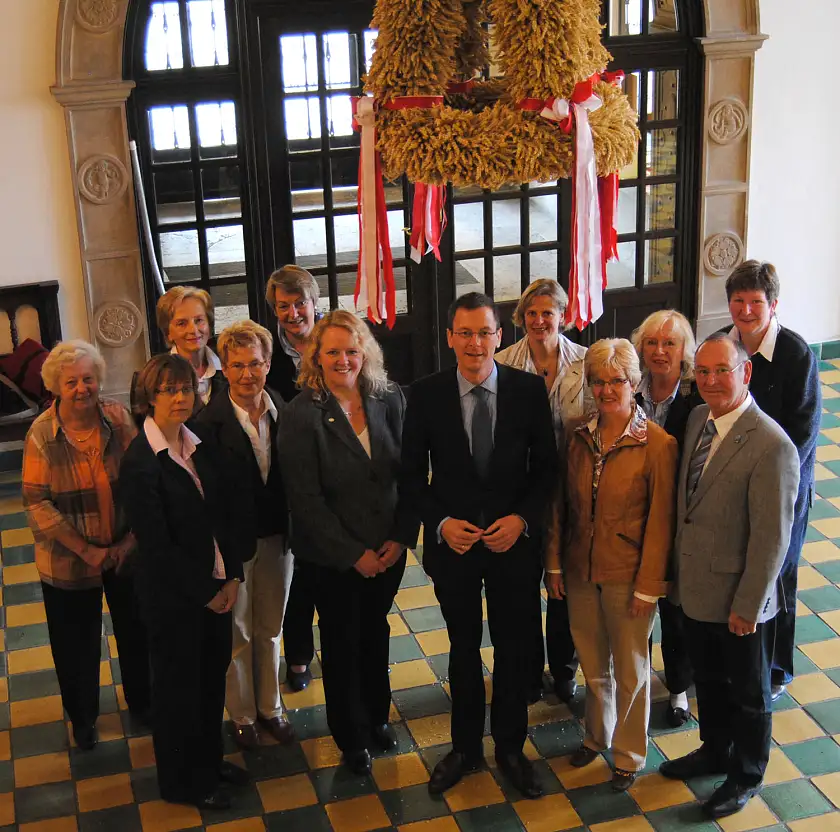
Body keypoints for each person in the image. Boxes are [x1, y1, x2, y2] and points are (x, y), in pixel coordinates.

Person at [400, 292, 557, 799]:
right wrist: (440, 522)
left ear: (499, 336)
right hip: (457, 550)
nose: (474, 343)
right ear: (450, 338)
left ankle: (511, 748)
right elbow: (409, 480)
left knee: (514, 650)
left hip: (514, 548)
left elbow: (547, 472)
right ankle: (464, 748)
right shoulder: (423, 395)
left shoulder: (530, 391)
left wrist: (523, 520)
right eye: (464, 333)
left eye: (484, 332)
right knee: (463, 650)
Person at [660, 333, 799, 819]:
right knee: (711, 682)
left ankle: (745, 775)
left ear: (746, 373)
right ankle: (713, 750)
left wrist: (750, 605)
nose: (712, 381)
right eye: (702, 372)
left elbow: (771, 540)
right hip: (696, 588)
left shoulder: (772, 445)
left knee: (748, 692)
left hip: (740, 599)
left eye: (723, 370)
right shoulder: (699, 417)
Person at [278, 310, 411, 775]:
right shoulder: (301, 415)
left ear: (366, 353)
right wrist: (354, 554)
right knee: (340, 641)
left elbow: (409, 473)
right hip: (332, 559)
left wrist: (399, 538)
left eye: (352, 351)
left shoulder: (388, 398)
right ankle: (352, 737)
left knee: (375, 632)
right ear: (316, 356)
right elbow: (306, 499)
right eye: (332, 351)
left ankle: (377, 717)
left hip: (387, 550)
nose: (343, 360)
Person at [121, 354, 252, 811]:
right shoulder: (141, 463)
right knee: (178, 693)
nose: (180, 398)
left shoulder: (200, 444)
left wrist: (232, 575)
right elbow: (157, 546)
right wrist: (206, 594)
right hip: (176, 601)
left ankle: (209, 762)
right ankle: (182, 783)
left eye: (186, 388)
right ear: (149, 397)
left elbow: (226, 516)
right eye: (169, 390)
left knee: (209, 684)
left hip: (217, 588)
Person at [547, 339, 677, 792]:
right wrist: (555, 566)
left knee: (630, 669)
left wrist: (649, 586)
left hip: (629, 576)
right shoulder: (579, 436)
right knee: (591, 662)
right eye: (598, 381)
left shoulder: (658, 444)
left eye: (616, 380)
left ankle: (627, 754)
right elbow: (560, 507)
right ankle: (595, 736)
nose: (606, 390)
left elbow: (662, 521)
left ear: (635, 382)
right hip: (580, 569)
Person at [22, 341, 150, 751]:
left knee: (136, 632)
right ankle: (83, 719)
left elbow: (143, 479)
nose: (82, 388)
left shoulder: (118, 417)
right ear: (56, 386)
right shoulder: (42, 433)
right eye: (72, 381)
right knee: (75, 642)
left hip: (126, 552)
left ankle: (143, 704)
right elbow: (37, 503)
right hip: (68, 561)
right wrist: (87, 550)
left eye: (89, 379)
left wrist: (131, 540)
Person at [722, 261, 820, 700]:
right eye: (738, 301)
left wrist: (764, 484)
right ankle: (738, 655)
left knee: (779, 573)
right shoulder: (723, 346)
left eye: (755, 302)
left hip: (785, 490)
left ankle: (778, 668)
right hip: (732, 486)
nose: (745, 310)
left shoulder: (797, 356)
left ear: (773, 304)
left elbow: (801, 437)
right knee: (739, 568)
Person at [197, 321, 295, 750]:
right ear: (225, 370)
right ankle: (242, 714)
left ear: (268, 364)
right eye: (236, 366)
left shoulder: (285, 411)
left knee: (271, 627)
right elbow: (208, 501)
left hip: (279, 538)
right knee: (238, 632)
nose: (247, 375)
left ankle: (271, 707)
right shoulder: (206, 425)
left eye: (255, 364)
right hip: (234, 546)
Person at [496, 279, 592, 704]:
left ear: (563, 316)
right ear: (521, 318)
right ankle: (529, 670)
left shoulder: (587, 362)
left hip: (573, 489)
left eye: (547, 312)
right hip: (523, 489)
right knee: (522, 585)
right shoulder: (502, 363)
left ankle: (564, 668)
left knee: (563, 584)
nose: (539, 321)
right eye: (531, 313)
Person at [631, 309, 702, 728]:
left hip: (678, 518)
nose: (659, 352)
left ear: (684, 352)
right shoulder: (629, 387)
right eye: (652, 343)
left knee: (675, 610)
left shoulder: (696, 398)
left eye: (669, 344)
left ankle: (678, 688)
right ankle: (635, 681)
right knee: (636, 606)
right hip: (635, 514)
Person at [265, 264, 322, 692]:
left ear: (314, 302)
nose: (293, 313)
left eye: (299, 303)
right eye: (283, 306)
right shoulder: (268, 354)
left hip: (341, 471)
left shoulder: (339, 339)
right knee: (299, 571)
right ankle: (299, 656)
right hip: (293, 475)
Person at [156, 286, 226, 409]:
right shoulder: (154, 377)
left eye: (199, 320)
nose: (193, 330)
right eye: (181, 323)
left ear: (209, 325)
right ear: (168, 332)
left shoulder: (231, 365)